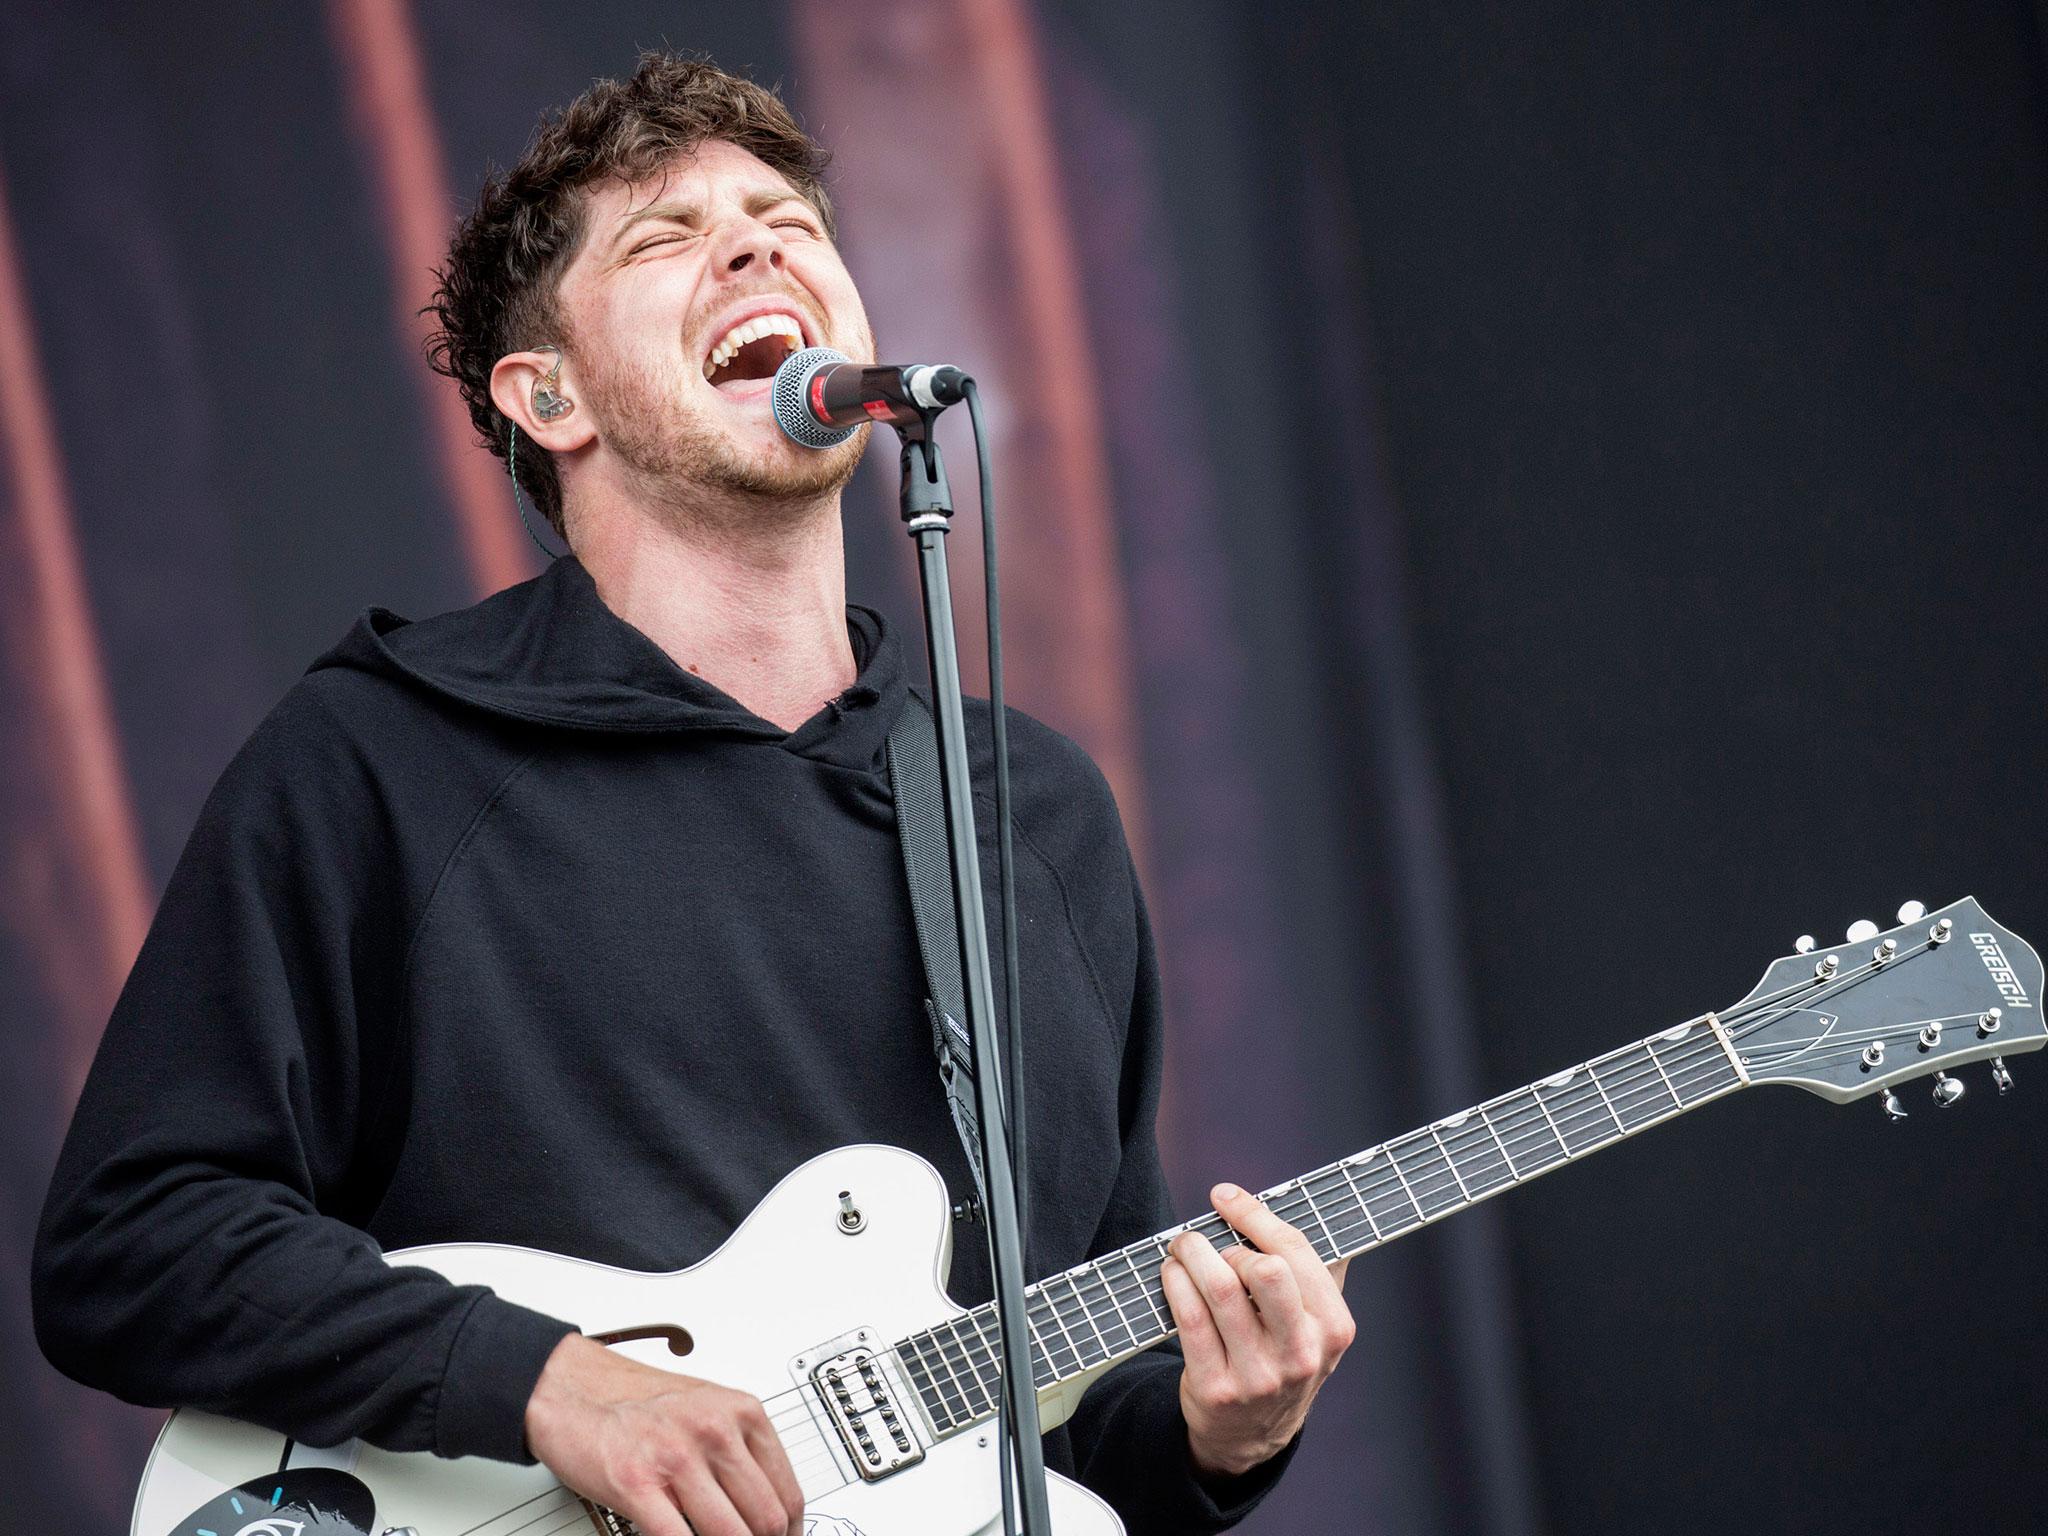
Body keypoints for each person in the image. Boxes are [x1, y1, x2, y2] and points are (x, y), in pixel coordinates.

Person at [33, 52, 1353, 1536]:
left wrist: (1215, 1430)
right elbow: (128, 1247)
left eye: (786, 216)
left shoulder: (1031, 815)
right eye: (665, 237)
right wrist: (551, 1383)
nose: (756, 240)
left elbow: (1055, 1434)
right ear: (550, 396)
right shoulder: (382, 760)